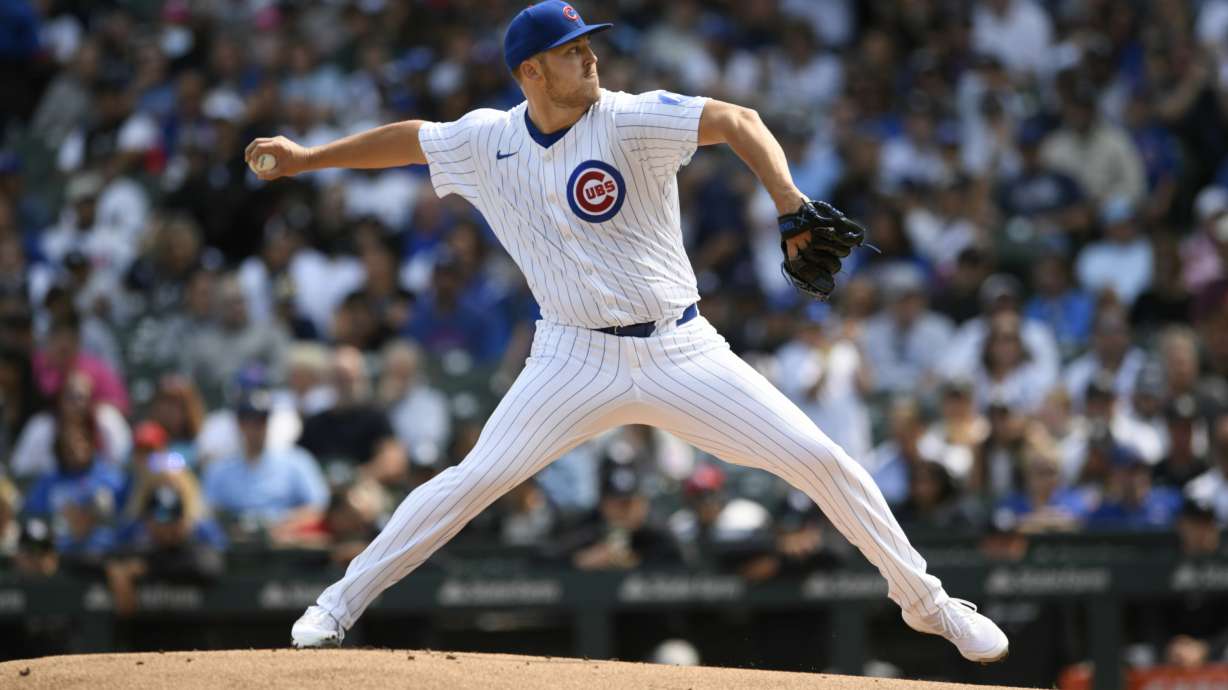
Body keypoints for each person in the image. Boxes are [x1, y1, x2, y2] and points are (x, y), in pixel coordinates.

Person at [249, 1, 1007, 662]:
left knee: (821, 459)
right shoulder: (488, 140)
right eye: (572, 50)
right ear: (531, 73)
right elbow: (413, 138)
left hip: (681, 350)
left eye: (589, 43)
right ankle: (337, 606)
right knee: (472, 480)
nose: (591, 55)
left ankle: (928, 605)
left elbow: (736, 120)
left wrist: (788, 202)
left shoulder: (630, 117)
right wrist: (309, 159)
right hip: (570, 357)